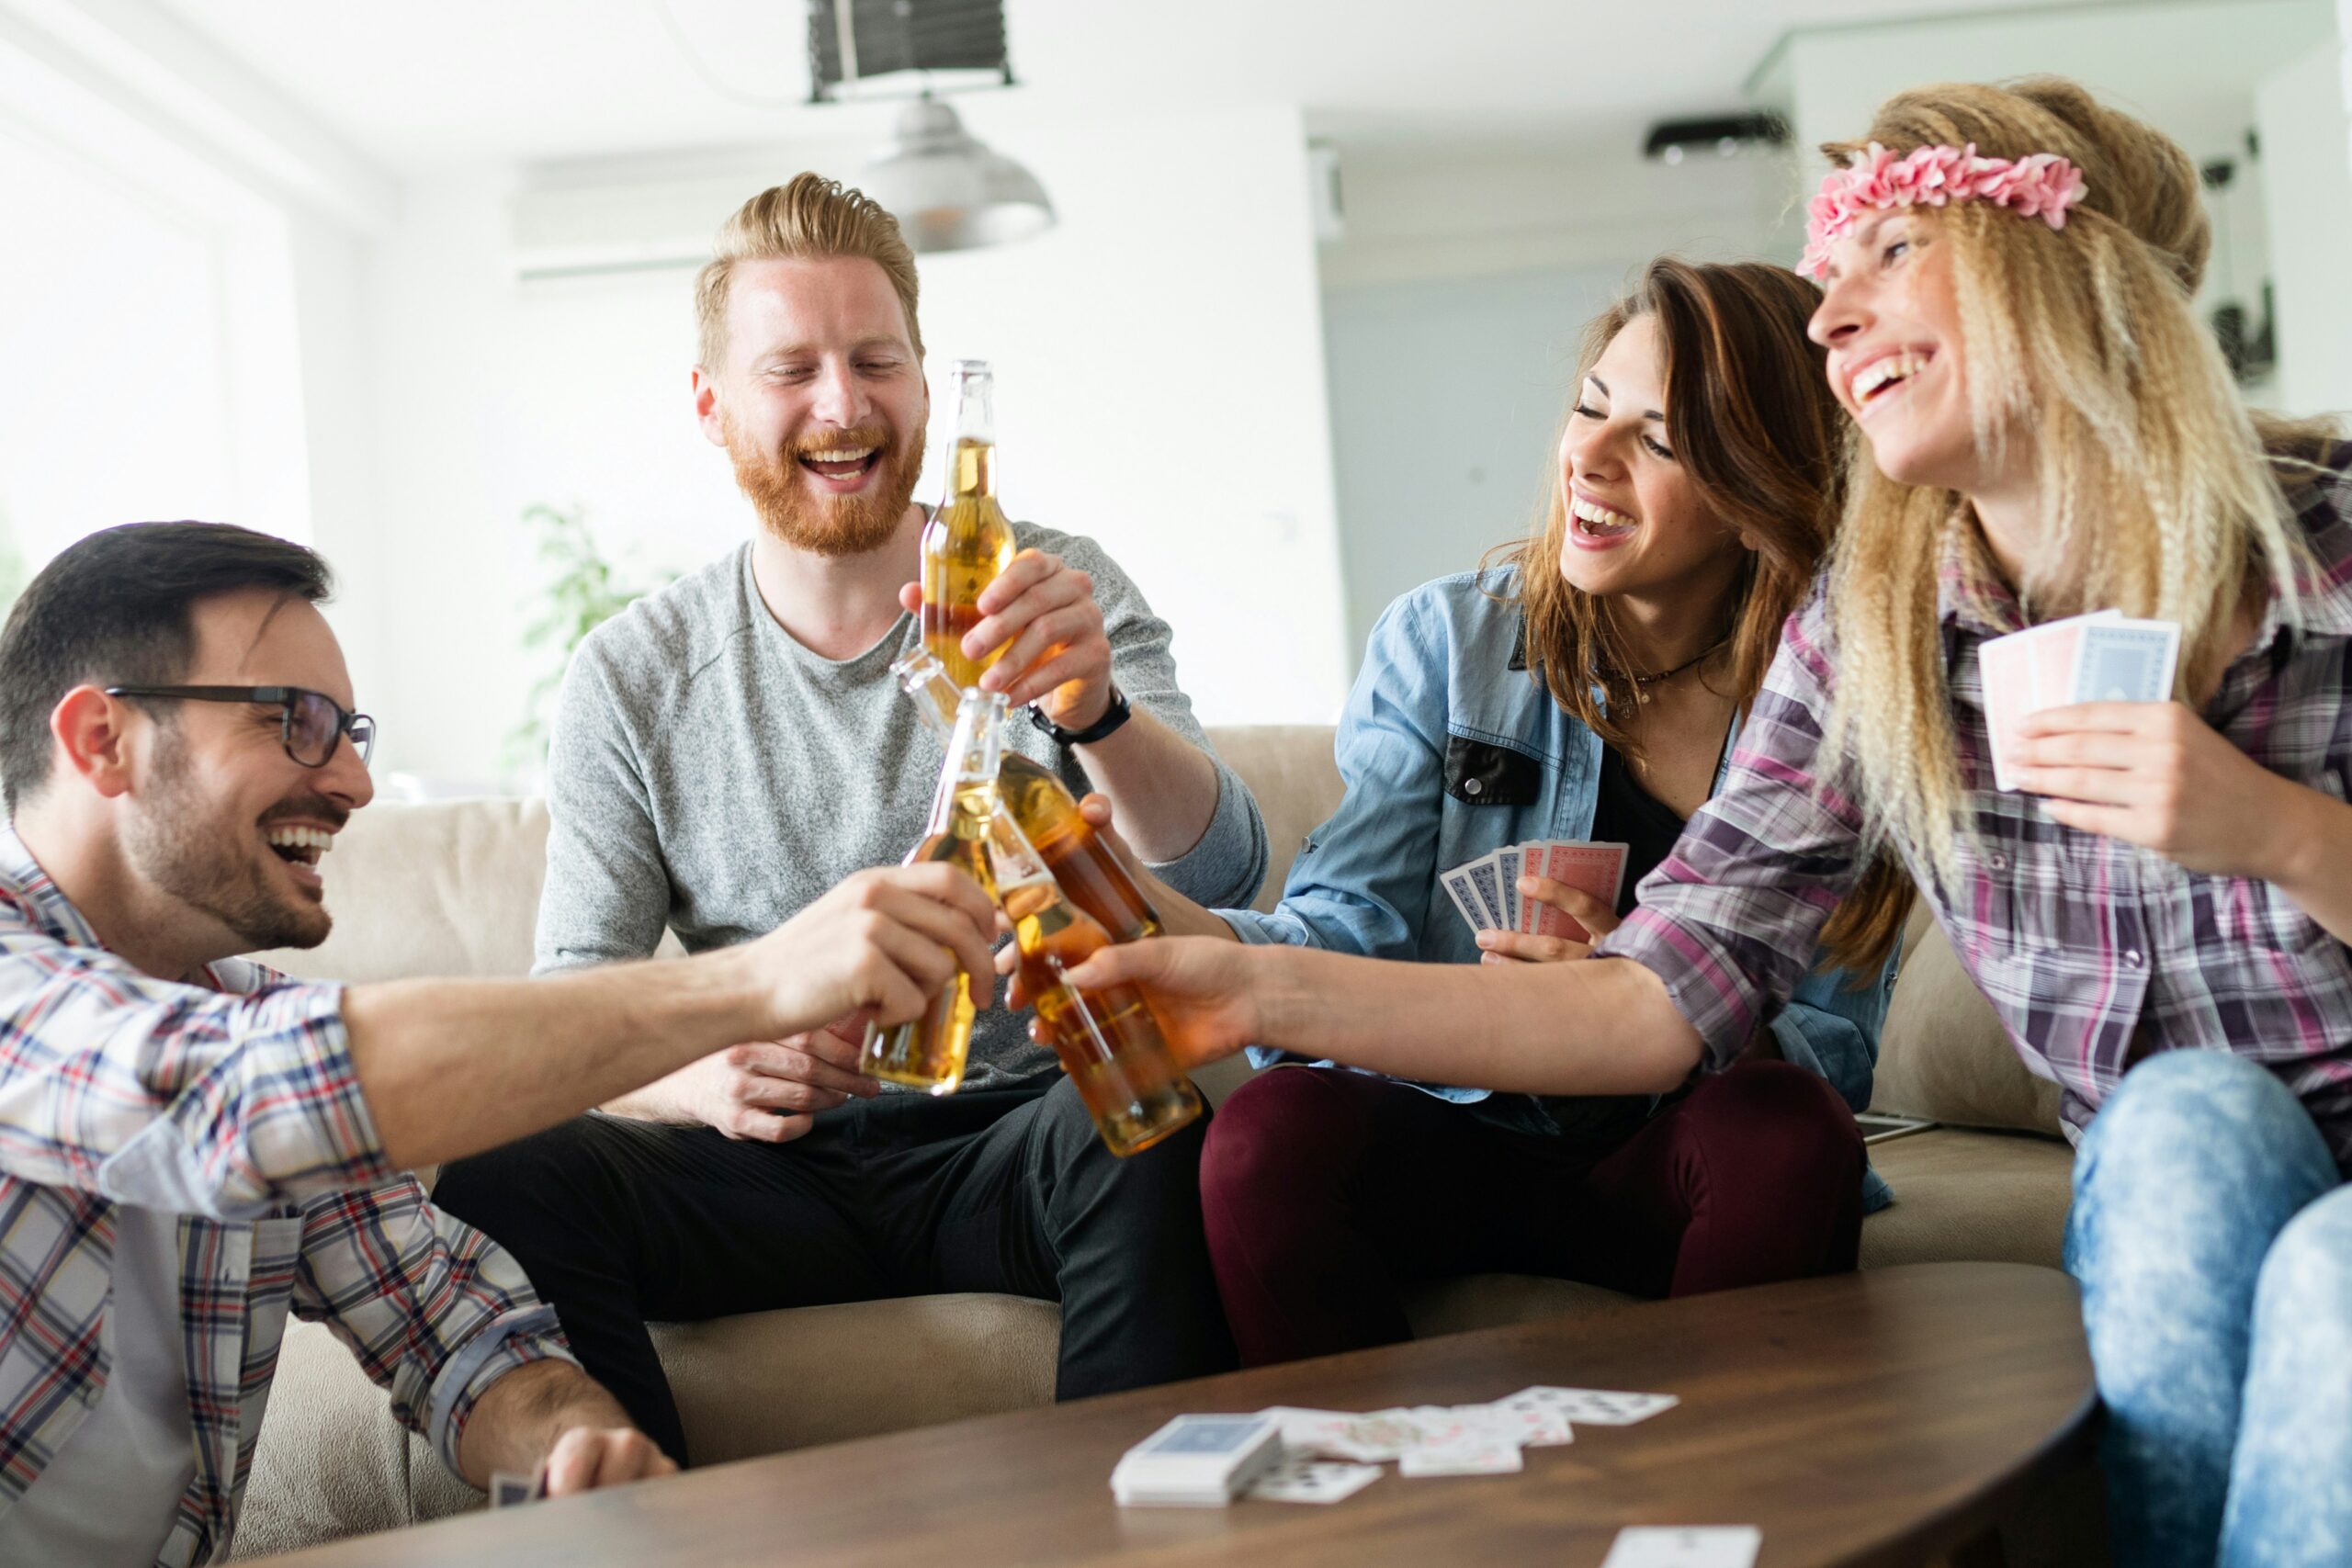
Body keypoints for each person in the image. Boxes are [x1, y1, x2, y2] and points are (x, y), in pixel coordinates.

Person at [1062, 79, 2352, 1567]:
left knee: (2326, 1263)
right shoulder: (1875, 638)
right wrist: (1247, 983)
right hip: (2182, 1155)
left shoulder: (2328, 533)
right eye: (1831, 270)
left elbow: (1799, 1051)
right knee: (2186, 1123)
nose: (1830, 314)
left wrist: (2280, 831)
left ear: (2048, 265)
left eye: (1891, 252)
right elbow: (1653, 1004)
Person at [432, 174, 1265, 1464]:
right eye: (792, 368)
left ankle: (1134, 1539)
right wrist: (702, 1066)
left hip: (1013, 1131)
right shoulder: (633, 672)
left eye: (877, 358)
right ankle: (650, 1541)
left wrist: (1097, 711)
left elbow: (1222, 866)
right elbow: (578, 994)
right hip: (765, 1167)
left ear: (926, 385)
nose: (843, 402)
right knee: (507, 1172)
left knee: (1148, 1125)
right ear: (712, 405)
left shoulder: (1055, 587)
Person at [0, 522, 998, 1565]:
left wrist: (577, 1439)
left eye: (349, 732)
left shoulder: (244, 1012)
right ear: (100, 741)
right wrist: (754, 981)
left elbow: (456, 1335)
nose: (353, 783)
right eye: (294, 722)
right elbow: (254, 1099)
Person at [1071, 258, 1905, 1366]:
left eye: (1655, 441)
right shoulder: (1448, 644)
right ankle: (1387, 1514)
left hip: (1670, 1154)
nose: (1587, 459)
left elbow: (1841, 1050)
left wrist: (1675, 1005)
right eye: (1588, 407)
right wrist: (1157, 917)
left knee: (1787, 1131)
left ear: (1757, 500)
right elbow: (1339, 931)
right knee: (1270, 1134)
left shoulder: (1834, 695)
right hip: (1452, 1136)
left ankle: (1719, 1505)